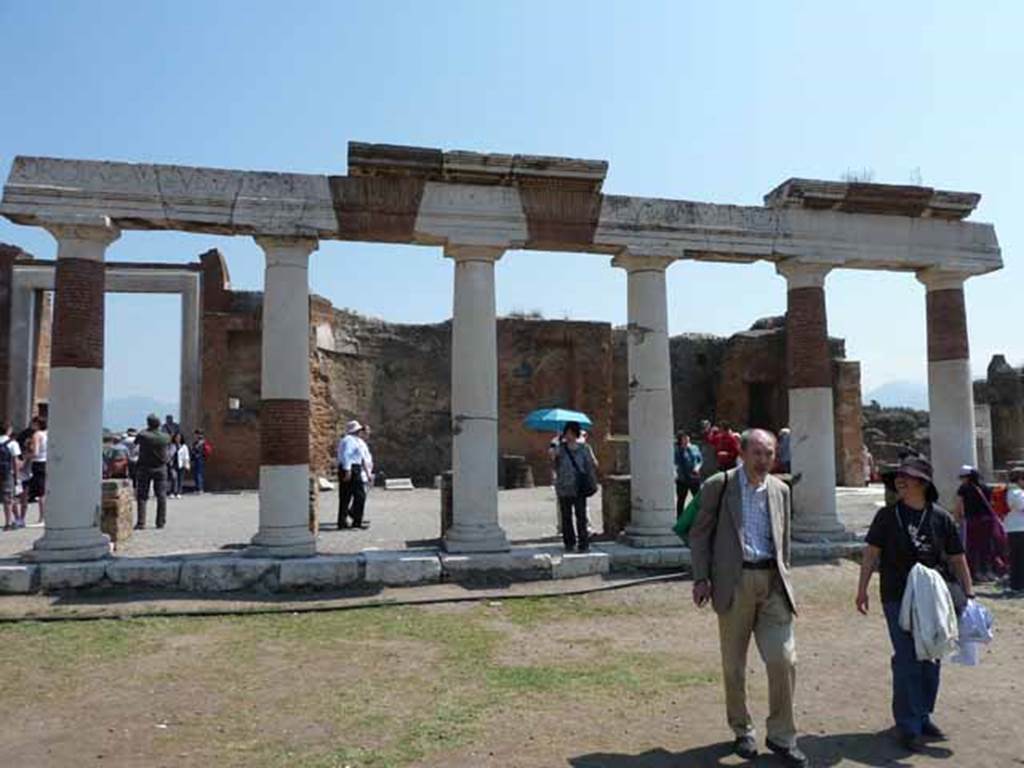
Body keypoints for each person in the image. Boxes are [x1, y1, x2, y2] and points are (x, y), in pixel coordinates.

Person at [689, 429, 806, 767]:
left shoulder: (781, 490)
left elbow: (784, 540)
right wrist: (701, 578)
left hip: (772, 582)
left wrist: (785, 576)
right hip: (734, 580)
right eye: (757, 452)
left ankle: (782, 735)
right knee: (734, 664)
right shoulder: (719, 485)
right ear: (742, 453)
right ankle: (742, 730)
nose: (763, 459)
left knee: (784, 659)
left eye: (768, 453)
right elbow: (699, 533)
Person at [856, 455, 974, 753]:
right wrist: (862, 589)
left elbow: (958, 559)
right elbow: (871, 554)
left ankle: (923, 716)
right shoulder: (886, 517)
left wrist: (969, 595)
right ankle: (907, 724)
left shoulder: (941, 518)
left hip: (933, 597)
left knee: (932, 655)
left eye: (907, 476)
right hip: (896, 594)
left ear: (923, 483)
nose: (900, 480)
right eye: (898, 476)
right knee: (908, 656)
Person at [553, 421, 598, 553]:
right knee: (566, 517)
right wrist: (555, 447)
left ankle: (583, 543)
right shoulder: (560, 448)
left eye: (571, 433)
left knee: (581, 516)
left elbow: (591, 465)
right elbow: (554, 463)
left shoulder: (584, 448)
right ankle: (569, 542)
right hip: (564, 487)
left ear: (576, 434)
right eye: (566, 433)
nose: (568, 436)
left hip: (579, 487)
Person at [955, 466, 1002, 582]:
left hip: (972, 520)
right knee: (987, 546)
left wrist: (957, 518)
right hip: (987, 520)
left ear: (967, 477)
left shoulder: (964, 488)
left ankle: (975, 572)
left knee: (972, 547)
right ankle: (988, 571)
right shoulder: (985, 487)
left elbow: (959, 505)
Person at [134, 414, 170, 529]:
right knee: (161, 496)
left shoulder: (143, 435)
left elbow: (136, 441)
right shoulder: (165, 436)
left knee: (142, 496)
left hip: (145, 468)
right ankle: (160, 522)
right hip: (161, 468)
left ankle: (141, 522)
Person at [337, 420, 368, 529]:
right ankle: (356, 521)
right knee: (359, 495)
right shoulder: (349, 440)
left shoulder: (351, 440)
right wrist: (348, 470)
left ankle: (342, 522)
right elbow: (347, 456)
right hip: (352, 468)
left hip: (351, 468)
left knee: (345, 496)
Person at [0, 423, 22, 531]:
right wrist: (17, 476)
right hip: (7, 473)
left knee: (8, 498)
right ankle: (9, 522)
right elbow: (15, 461)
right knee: (9, 498)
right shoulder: (12, 443)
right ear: (8, 430)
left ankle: (16, 519)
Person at [674, 431, 702, 516]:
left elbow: (700, 460)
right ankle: (680, 518)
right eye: (684, 438)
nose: (686, 439)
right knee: (681, 500)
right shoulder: (677, 450)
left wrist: (697, 467)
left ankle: (698, 517)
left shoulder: (695, 447)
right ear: (680, 440)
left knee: (698, 500)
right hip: (682, 479)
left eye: (687, 437)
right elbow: (675, 463)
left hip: (694, 478)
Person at [1005, 468, 1024, 593]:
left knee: (1017, 558)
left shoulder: (1011, 491)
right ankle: (1018, 585)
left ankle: (1016, 584)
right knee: (1019, 558)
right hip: (1019, 528)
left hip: (1013, 527)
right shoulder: (1017, 493)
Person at [28, 417, 47, 523]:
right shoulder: (47, 434)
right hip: (47, 462)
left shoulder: (37, 435)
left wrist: (27, 456)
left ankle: (42, 517)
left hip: (38, 463)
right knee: (44, 489)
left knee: (40, 492)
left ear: (37, 424)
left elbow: (35, 452)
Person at [170, 432, 190, 498]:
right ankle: (173, 492)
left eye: (179, 437)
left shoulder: (184, 446)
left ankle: (179, 492)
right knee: (174, 478)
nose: (178, 439)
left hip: (181, 464)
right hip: (173, 464)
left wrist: (187, 465)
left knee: (180, 479)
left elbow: (186, 456)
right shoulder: (172, 445)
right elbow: (169, 454)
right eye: (176, 437)